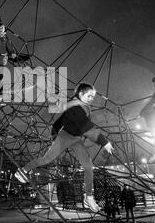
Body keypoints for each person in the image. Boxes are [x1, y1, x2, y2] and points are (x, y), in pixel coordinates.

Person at [14, 83, 114, 212]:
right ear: (81, 94)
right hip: (66, 137)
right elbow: (86, 128)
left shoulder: (78, 106)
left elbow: (62, 119)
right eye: (89, 96)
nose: (91, 99)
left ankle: (88, 197)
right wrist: (104, 142)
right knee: (46, 159)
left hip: (77, 139)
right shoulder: (76, 108)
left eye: (93, 96)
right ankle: (22, 171)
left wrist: (54, 129)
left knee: (88, 166)